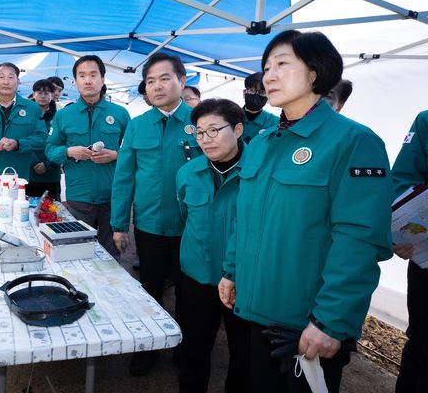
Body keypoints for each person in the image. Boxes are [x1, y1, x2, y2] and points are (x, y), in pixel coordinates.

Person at [218, 30, 393, 392]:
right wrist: (231, 271)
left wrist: (330, 320)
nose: (268, 76)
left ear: (315, 72)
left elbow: (359, 239)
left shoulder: (353, 141)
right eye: (266, 67)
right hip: (253, 310)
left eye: (282, 64)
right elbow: (244, 216)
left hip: (305, 323)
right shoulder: (262, 143)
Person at [111, 52, 200, 376]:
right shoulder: (137, 126)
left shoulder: (200, 121)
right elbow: (124, 177)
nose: (158, 86)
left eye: (165, 78)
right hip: (149, 227)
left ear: (182, 81)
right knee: (149, 290)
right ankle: (148, 347)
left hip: (192, 229)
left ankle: (185, 348)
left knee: (191, 295)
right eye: (151, 81)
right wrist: (120, 225)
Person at [175, 98, 250, 392]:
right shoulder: (188, 173)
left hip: (243, 281)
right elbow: (185, 216)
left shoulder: (258, 173)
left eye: (214, 130)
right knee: (193, 352)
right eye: (199, 132)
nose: (205, 139)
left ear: (239, 129)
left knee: (244, 355)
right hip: (197, 276)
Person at [46, 55, 130, 258]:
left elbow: (134, 152)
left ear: (102, 79)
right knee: (76, 254)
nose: (88, 80)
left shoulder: (120, 113)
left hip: (112, 199)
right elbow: (50, 150)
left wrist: (116, 155)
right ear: (75, 82)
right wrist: (68, 152)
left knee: (111, 257)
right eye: (82, 76)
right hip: (78, 199)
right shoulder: (64, 115)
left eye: (93, 75)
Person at [391, 111, 428, 392]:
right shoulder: (426, 121)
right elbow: (402, 180)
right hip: (427, 262)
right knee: (423, 347)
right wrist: (401, 232)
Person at [0, 62, 47, 198]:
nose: (6, 82)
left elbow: (41, 139)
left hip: (19, 180)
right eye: (1, 77)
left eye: (11, 77)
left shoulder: (32, 108)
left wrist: (18, 144)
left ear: (18, 82)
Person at [27, 79, 61, 199]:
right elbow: (20, 141)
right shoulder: (24, 116)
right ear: (34, 94)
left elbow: (61, 144)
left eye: (46, 93)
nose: (42, 96)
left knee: (51, 211)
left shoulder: (58, 118)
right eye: (39, 92)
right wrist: (34, 162)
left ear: (52, 95)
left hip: (51, 175)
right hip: (28, 173)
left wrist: (48, 164)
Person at [241, 72, 279, 144]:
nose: (256, 95)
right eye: (252, 90)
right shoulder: (230, 116)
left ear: (269, 97)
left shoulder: (275, 123)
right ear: (244, 93)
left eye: (262, 91)